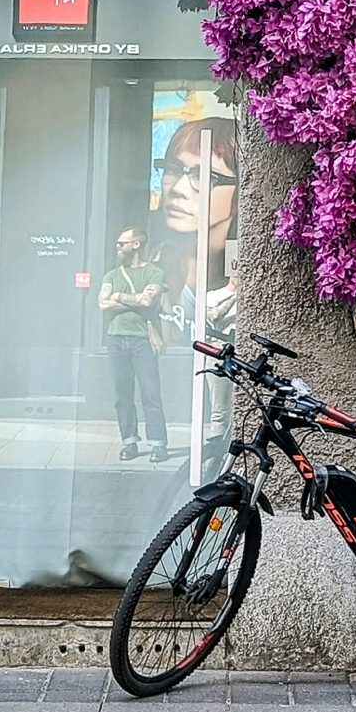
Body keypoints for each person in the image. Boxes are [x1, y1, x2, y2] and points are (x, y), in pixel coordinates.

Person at [152, 115, 239, 335]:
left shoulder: (241, 275)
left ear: (241, 190)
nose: (179, 189)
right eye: (173, 169)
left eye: (204, 176)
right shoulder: (153, 259)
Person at [99, 226, 169, 463]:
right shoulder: (111, 275)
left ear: (136, 245)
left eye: (122, 243)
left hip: (142, 339)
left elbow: (149, 300)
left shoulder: (154, 273)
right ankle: (129, 441)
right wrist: (134, 300)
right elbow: (103, 304)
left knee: (151, 393)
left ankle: (158, 443)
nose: (118, 247)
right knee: (122, 393)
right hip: (116, 337)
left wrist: (119, 297)